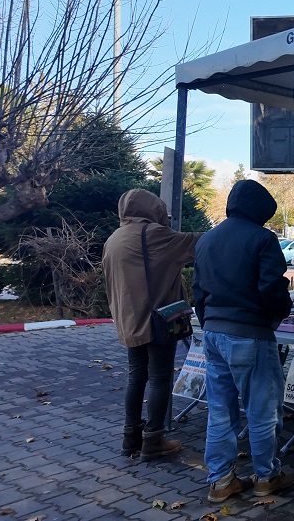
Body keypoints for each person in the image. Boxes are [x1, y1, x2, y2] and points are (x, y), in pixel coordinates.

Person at [193, 180, 294, 503]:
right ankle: (267, 475)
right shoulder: (263, 238)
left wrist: (209, 320)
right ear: (261, 210)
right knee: (262, 409)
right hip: (251, 334)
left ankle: (222, 480)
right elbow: (271, 287)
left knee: (221, 410)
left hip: (212, 332)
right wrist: (280, 313)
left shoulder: (206, 240)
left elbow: (198, 291)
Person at [102, 189, 202, 461]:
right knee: (160, 378)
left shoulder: (114, 238)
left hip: (128, 321)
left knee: (136, 378)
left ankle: (130, 437)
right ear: (152, 209)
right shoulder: (153, 234)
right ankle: (154, 440)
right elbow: (198, 243)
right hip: (158, 320)